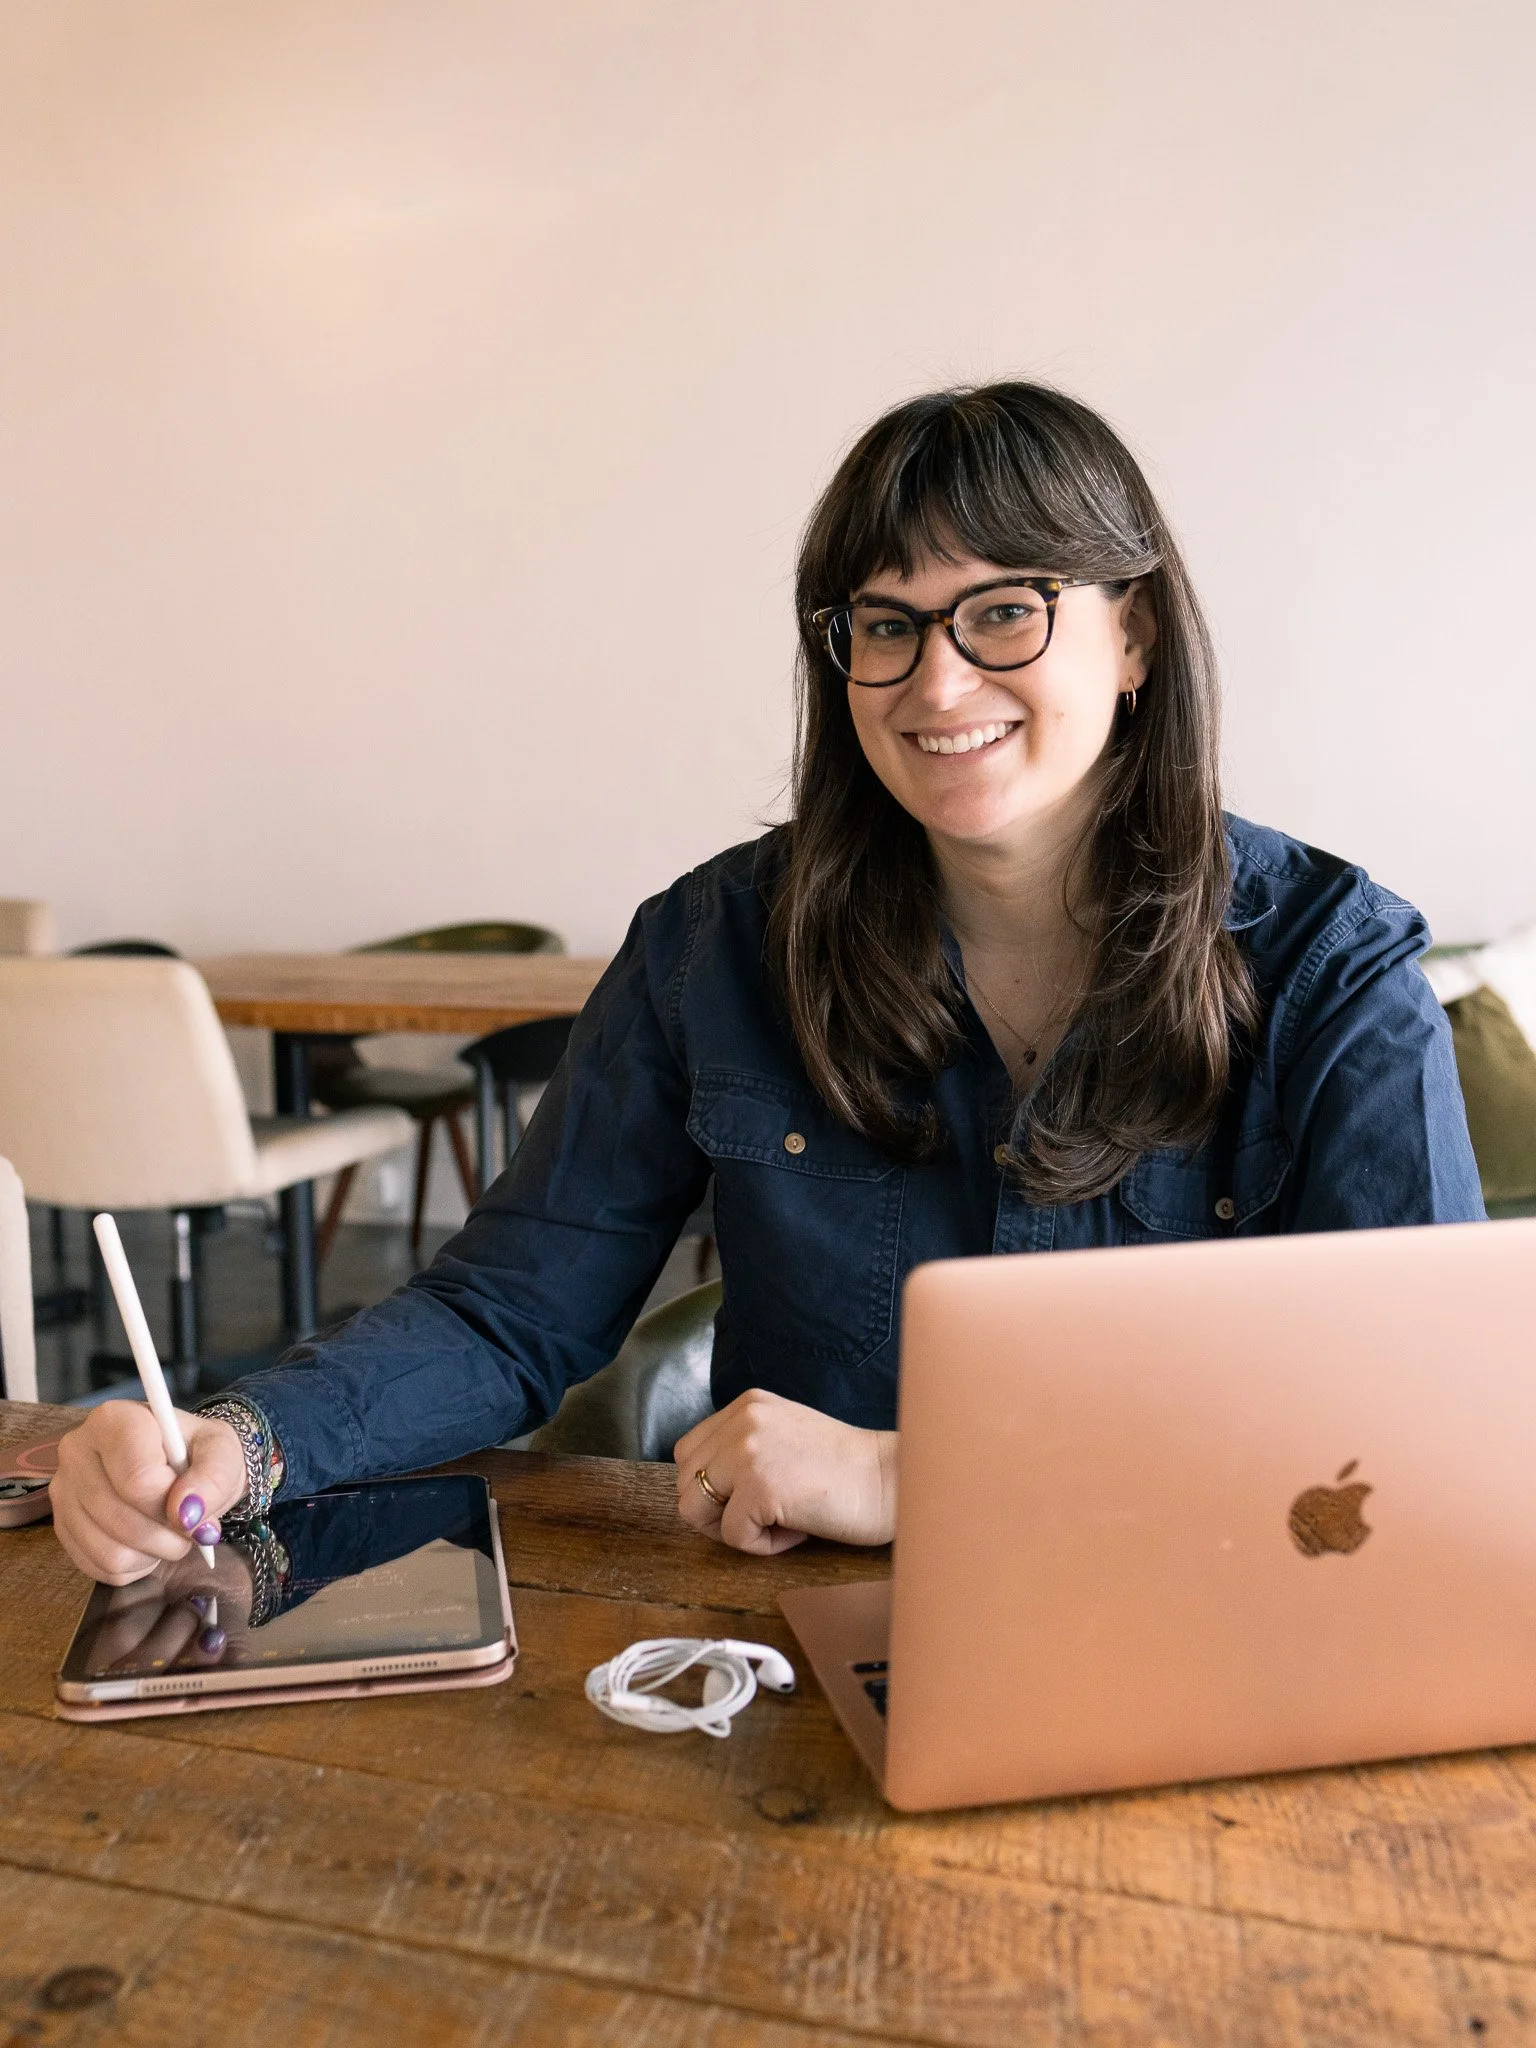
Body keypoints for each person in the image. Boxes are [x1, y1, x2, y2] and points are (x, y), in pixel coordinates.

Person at [50, 381, 1484, 1589]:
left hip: (1207, 1617)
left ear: (1138, 637)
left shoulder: (1330, 965)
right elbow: (511, 1312)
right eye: (884, 625)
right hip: (794, 1644)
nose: (936, 683)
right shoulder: (714, 947)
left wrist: (922, 1481)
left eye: (1004, 612)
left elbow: (1417, 1423)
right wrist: (242, 1438)